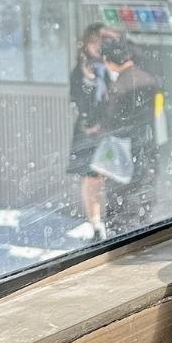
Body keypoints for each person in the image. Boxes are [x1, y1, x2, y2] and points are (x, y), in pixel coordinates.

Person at [99, 34, 161, 234]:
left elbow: (112, 123)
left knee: (122, 209)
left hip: (125, 154)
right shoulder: (148, 79)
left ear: (109, 61)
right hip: (148, 149)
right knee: (143, 203)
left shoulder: (119, 86)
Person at [67, 23, 111, 238]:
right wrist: (88, 80)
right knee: (90, 178)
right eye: (93, 42)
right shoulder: (81, 70)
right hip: (88, 130)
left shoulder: (112, 66)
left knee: (109, 176)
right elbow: (77, 98)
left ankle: (110, 220)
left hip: (109, 129)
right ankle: (96, 224)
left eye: (101, 42)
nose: (97, 47)